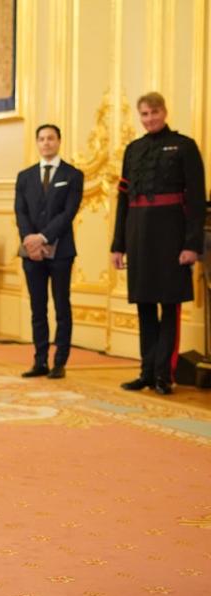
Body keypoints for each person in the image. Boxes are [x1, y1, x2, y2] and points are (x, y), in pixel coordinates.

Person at [111, 92, 207, 395]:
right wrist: (118, 245)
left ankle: (165, 375)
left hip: (171, 238)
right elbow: (123, 200)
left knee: (169, 307)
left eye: (154, 112)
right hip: (139, 238)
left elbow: (196, 199)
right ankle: (147, 372)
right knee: (144, 306)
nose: (149, 118)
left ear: (164, 112)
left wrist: (191, 245)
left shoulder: (184, 146)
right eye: (144, 114)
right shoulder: (133, 149)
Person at [14, 124, 84, 379]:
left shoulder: (73, 175)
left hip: (61, 251)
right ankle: (40, 360)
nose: (46, 143)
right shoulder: (25, 176)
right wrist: (29, 241)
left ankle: (60, 362)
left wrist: (44, 237)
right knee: (38, 307)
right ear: (37, 143)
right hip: (31, 253)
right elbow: (20, 212)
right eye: (42, 139)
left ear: (59, 141)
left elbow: (68, 213)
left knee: (61, 306)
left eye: (51, 138)